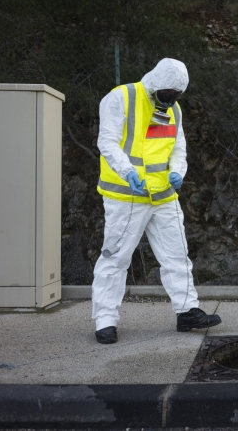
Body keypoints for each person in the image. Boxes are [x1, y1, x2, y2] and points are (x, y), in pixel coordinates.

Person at [92, 58, 221, 344]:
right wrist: (127, 172)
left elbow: (178, 147)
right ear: (155, 85)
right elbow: (108, 141)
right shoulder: (120, 98)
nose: (171, 100)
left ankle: (187, 311)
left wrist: (177, 172)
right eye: (167, 95)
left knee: (177, 255)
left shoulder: (173, 109)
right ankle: (105, 320)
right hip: (127, 195)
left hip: (163, 195)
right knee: (115, 258)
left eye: (176, 96)